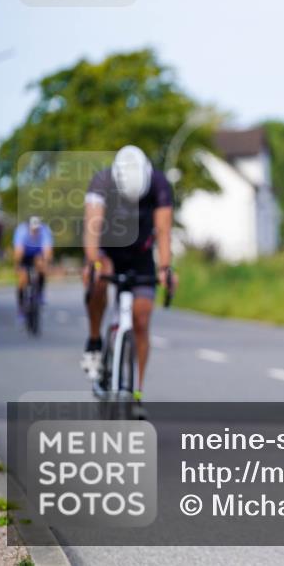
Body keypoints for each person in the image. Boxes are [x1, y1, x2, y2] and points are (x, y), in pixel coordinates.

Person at [81, 145, 175, 405]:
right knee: (98, 279)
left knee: (142, 319)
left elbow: (164, 231)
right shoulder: (102, 181)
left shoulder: (159, 183)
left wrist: (165, 268)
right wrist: (92, 261)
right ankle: (94, 341)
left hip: (141, 253)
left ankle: (136, 392)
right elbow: (92, 226)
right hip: (108, 249)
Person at [13, 216, 54, 316]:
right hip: (25, 254)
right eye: (33, 229)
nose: (35, 231)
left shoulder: (44, 230)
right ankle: (21, 306)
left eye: (37, 229)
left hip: (38, 254)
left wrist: (46, 263)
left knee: (42, 266)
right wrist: (17, 265)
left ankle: (40, 292)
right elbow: (19, 251)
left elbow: (47, 250)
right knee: (23, 278)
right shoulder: (22, 231)